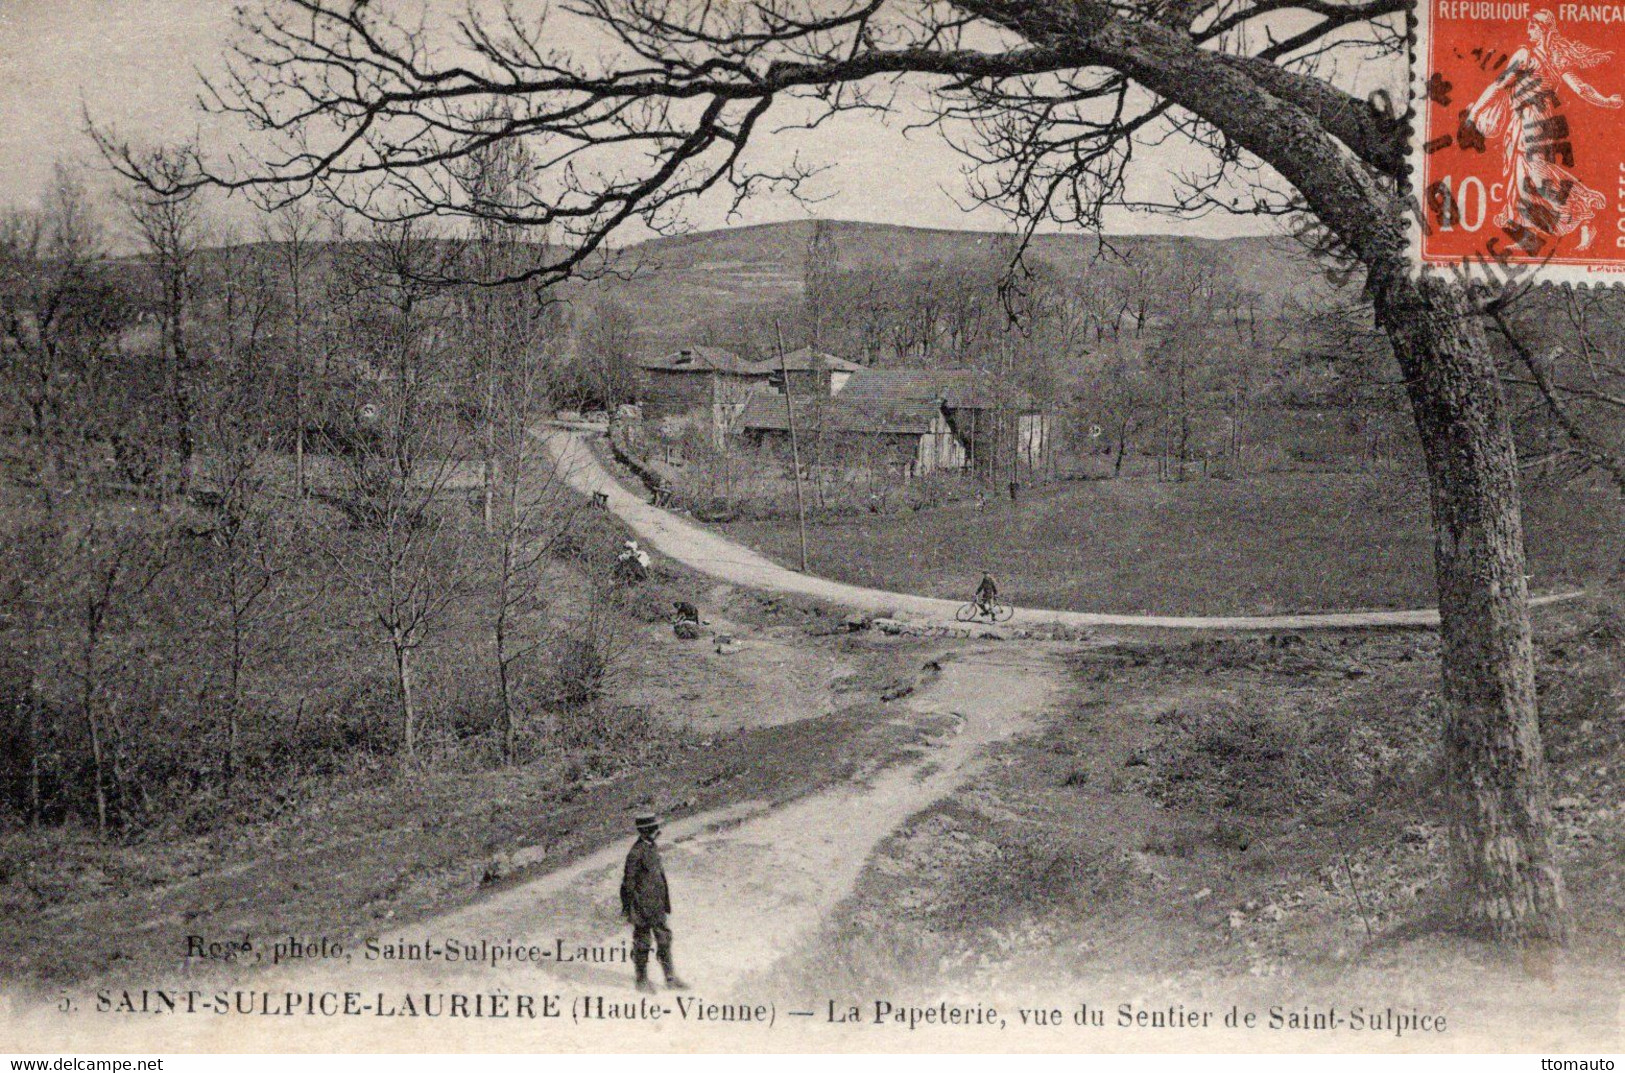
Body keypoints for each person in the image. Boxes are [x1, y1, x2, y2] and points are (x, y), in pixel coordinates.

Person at [1464, 10, 1622, 250]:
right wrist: (1475, 112)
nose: (1529, 30)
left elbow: (1582, 88)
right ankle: (1527, 236)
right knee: (1520, 180)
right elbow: (1498, 85)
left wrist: (1607, 101)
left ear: (1544, 29)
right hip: (1521, 121)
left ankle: (1586, 215)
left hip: (1537, 122)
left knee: (1539, 179)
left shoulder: (1539, 57)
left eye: (1533, 26)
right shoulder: (1528, 54)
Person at [620, 812, 687, 993]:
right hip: (642, 907)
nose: (659, 830)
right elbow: (628, 883)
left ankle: (670, 979)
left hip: (656, 905)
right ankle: (641, 981)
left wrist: (664, 902)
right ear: (646, 830)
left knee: (664, 939)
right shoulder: (636, 853)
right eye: (655, 827)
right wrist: (629, 909)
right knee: (642, 943)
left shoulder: (652, 847)